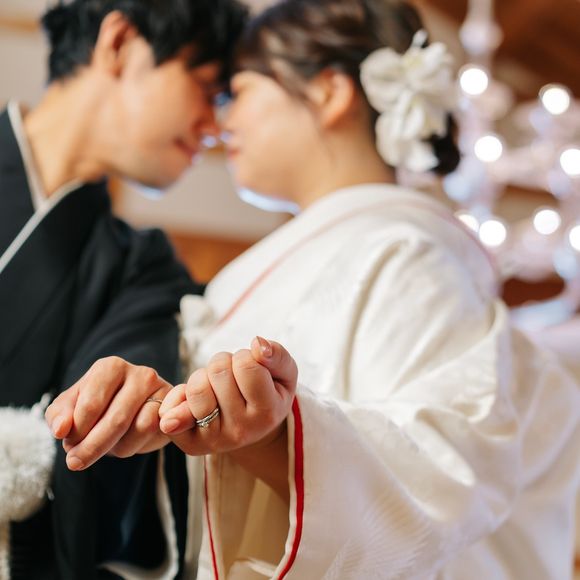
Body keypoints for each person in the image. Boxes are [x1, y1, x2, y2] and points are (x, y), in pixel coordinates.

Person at [47, 0, 580, 578]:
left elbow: (443, 463)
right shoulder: (335, 251)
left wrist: (278, 438)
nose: (221, 121)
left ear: (329, 92)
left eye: (239, 92)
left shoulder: (409, 254)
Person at [0, 0, 247, 578]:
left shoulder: (144, 269)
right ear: (118, 43)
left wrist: (135, 404)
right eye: (206, 89)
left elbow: (89, 457)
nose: (213, 128)